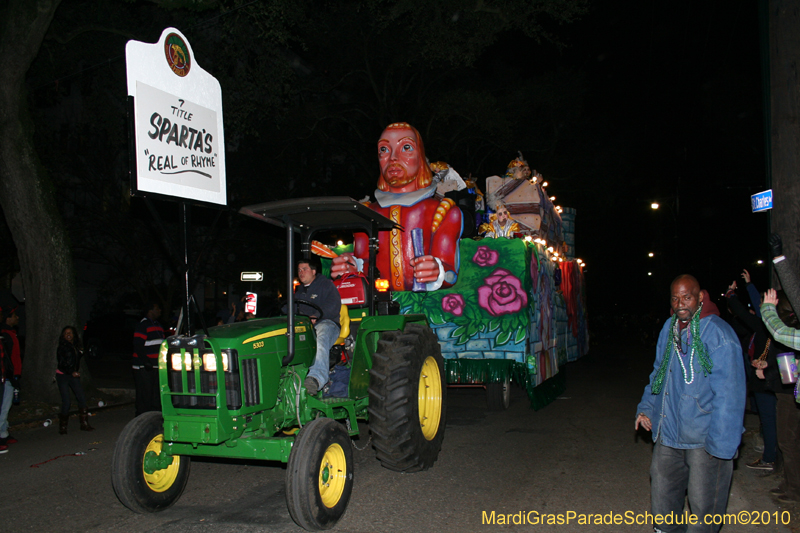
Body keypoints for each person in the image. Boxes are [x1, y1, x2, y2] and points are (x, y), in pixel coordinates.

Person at [636, 275, 745, 532]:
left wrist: (719, 447)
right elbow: (658, 373)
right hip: (668, 434)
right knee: (663, 508)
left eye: (687, 297)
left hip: (704, 441)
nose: (680, 303)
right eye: (675, 298)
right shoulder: (668, 328)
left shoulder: (718, 334)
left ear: (700, 297)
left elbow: (731, 394)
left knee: (704, 513)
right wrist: (646, 408)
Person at [331, 122, 462, 292]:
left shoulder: (443, 212)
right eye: (384, 149)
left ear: (420, 157)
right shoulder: (366, 213)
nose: (393, 157)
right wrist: (351, 266)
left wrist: (437, 271)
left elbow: (450, 272)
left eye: (406, 147)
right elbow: (366, 265)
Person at [725, 279, 777, 472]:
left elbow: (742, 312)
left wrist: (731, 295)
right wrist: (749, 285)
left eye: (764, 303)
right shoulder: (771, 325)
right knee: (771, 420)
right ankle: (772, 455)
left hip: (768, 379)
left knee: (770, 419)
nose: (760, 306)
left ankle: (770, 458)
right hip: (769, 377)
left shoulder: (770, 326)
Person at [760, 289, 800, 503]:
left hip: (788, 395)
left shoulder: (789, 330)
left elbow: (788, 371)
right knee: (789, 442)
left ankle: (794, 489)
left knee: (787, 441)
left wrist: (767, 309)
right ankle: (790, 484)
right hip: (789, 392)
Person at [286, 257, 341, 395]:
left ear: (314, 271)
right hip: (305, 327)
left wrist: (316, 315)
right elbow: (289, 308)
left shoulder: (326, 286)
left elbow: (333, 305)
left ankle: (316, 379)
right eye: (299, 270)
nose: (301, 272)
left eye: (304, 269)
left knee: (319, 338)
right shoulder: (298, 293)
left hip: (327, 323)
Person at [56, 326, 93, 433]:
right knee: (66, 401)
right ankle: (63, 426)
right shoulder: (62, 347)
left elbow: (75, 359)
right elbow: (62, 364)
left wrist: (80, 352)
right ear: (63, 335)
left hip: (73, 375)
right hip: (63, 375)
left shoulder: (75, 347)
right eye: (66, 333)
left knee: (81, 398)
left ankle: (84, 424)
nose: (68, 334)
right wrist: (71, 372)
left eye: (70, 333)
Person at [132, 301, 164, 416]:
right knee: (144, 394)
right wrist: (145, 361)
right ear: (150, 311)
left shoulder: (158, 326)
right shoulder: (143, 325)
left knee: (155, 394)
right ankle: (141, 417)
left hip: (156, 366)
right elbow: (138, 345)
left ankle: (154, 416)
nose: (159, 310)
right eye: (157, 308)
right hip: (144, 366)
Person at [0, 304, 21, 453]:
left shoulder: (11, 333)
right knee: (3, 407)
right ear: (8, 319)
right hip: (7, 377)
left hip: (12, 376)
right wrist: (11, 376)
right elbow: (6, 359)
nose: (17, 318)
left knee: (7, 406)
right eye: (14, 316)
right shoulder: (4, 335)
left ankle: (4, 433)